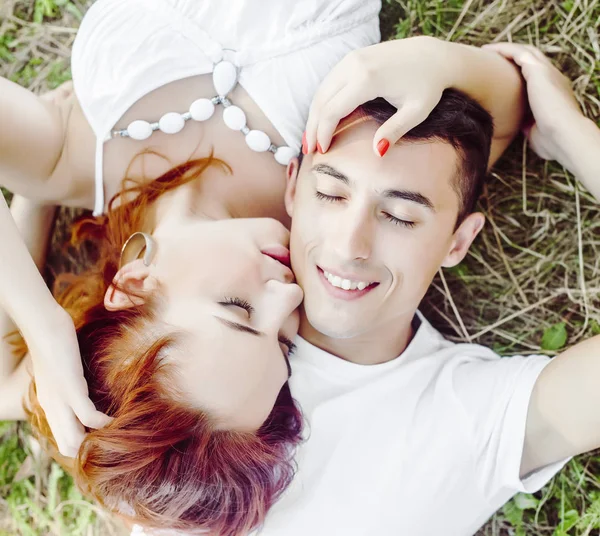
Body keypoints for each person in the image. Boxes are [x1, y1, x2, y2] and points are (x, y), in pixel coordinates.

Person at [0, 1, 527, 533]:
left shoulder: (64, 156)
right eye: (281, 341)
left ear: (135, 282)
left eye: (237, 310)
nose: (289, 298)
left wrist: (44, 320)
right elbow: (500, 112)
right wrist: (438, 60)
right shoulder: (332, 205)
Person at [248, 43, 600, 535]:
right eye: (330, 193)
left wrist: (574, 136)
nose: (351, 245)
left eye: (400, 216)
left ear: (458, 241)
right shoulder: (198, 314)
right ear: (293, 188)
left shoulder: (473, 415)